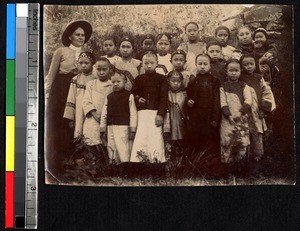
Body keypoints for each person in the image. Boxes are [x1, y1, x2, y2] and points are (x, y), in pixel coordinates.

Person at [45, 20, 93, 178]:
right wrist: (47, 93)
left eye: (83, 35)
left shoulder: (86, 53)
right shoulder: (61, 51)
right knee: (59, 122)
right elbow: (51, 75)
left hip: (78, 89)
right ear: (70, 36)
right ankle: (54, 163)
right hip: (61, 88)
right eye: (77, 34)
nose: (81, 37)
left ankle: (72, 161)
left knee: (74, 122)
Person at [239, 54, 276, 174]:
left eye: (251, 64)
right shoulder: (239, 78)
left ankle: (257, 156)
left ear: (255, 65)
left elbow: (267, 92)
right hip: (244, 110)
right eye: (245, 64)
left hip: (256, 110)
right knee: (243, 132)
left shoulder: (259, 77)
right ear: (241, 66)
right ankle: (243, 156)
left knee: (257, 132)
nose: (248, 66)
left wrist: (264, 109)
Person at [130, 51, 168, 163]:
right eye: (146, 63)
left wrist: (160, 114)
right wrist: (137, 99)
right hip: (142, 113)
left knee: (155, 137)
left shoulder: (162, 79)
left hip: (155, 113)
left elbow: (163, 97)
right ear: (142, 64)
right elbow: (133, 93)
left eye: (152, 63)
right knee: (141, 136)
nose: (149, 65)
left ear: (157, 63)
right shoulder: (139, 79)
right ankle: (140, 161)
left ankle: (156, 161)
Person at [220, 58, 252, 176]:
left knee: (243, 142)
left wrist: (241, 113)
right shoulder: (223, 86)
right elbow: (222, 102)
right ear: (226, 71)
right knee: (226, 142)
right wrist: (228, 115)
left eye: (236, 70)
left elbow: (248, 100)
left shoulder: (244, 86)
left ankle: (241, 169)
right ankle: (226, 169)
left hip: (242, 119)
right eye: (231, 70)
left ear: (240, 71)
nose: (233, 73)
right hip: (227, 120)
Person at [100, 71, 137, 163]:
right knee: (111, 146)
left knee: (122, 147)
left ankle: (125, 166)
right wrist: (103, 129)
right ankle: (113, 165)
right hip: (110, 126)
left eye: (118, 81)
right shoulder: (109, 97)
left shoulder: (129, 95)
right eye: (113, 82)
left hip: (123, 126)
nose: (115, 84)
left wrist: (132, 129)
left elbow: (133, 113)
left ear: (125, 82)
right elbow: (104, 113)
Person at [186, 54, 220, 153]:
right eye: (199, 64)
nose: (202, 66)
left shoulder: (215, 81)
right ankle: (195, 160)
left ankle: (209, 161)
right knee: (195, 136)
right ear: (196, 65)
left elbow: (217, 100)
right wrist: (189, 101)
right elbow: (188, 96)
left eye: (205, 64)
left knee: (209, 137)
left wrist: (215, 117)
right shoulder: (193, 81)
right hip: (196, 115)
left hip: (209, 115)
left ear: (210, 66)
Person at [63, 51, 96, 140]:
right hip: (79, 110)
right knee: (79, 130)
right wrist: (71, 118)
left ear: (92, 63)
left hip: (92, 109)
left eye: (86, 63)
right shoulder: (75, 79)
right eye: (81, 63)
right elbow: (71, 98)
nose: (83, 65)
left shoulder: (96, 78)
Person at [82, 58, 113, 147]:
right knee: (92, 139)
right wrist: (95, 114)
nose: (101, 72)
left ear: (109, 69)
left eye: (104, 69)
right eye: (99, 69)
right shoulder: (91, 84)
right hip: (93, 117)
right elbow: (86, 101)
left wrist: (105, 117)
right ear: (95, 69)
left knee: (107, 141)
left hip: (107, 118)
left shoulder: (112, 85)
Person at [164, 71, 187, 162]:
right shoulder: (166, 93)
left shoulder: (184, 94)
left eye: (178, 81)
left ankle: (181, 161)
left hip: (180, 121)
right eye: (173, 81)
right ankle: (170, 160)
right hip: (170, 120)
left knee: (181, 139)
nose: (176, 83)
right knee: (170, 140)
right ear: (168, 81)